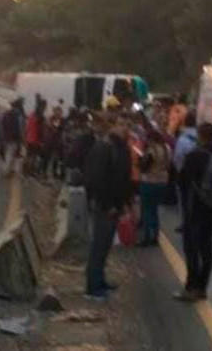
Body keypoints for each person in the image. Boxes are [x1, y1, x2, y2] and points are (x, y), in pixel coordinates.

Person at [84, 114, 134, 300]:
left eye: (127, 124)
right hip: (106, 206)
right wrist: (108, 204)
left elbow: (123, 179)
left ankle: (100, 279)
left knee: (105, 246)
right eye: (121, 124)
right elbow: (96, 180)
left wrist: (125, 204)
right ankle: (93, 287)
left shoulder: (121, 148)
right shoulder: (105, 148)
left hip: (115, 206)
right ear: (112, 126)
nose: (125, 128)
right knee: (99, 245)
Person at [172, 123, 212, 302]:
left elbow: (181, 180)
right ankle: (202, 287)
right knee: (207, 248)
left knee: (192, 249)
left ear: (200, 136)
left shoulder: (194, 156)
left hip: (194, 208)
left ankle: (191, 286)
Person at [138, 130, 170, 247]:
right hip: (162, 182)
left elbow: (144, 167)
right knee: (154, 211)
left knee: (147, 210)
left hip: (149, 182)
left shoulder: (151, 151)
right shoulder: (167, 149)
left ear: (152, 139)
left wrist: (140, 161)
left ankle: (147, 236)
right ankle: (155, 236)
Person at [1, 98, 25, 174]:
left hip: (6, 136)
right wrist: (22, 137)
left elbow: (2, 124)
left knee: (9, 152)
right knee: (12, 153)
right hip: (15, 137)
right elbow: (20, 127)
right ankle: (7, 169)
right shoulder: (18, 115)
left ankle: (9, 169)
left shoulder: (6, 114)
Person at [25, 99, 47, 177]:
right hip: (36, 139)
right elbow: (42, 130)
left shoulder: (32, 115)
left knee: (29, 155)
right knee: (34, 156)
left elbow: (27, 127)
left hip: (29, 138)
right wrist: (42, 141)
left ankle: (26, 170)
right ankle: (31, 171)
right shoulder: (40, 117)